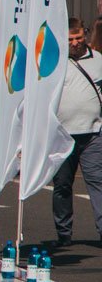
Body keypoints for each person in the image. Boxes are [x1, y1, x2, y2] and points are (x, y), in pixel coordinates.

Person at [52, 18, 102, 246]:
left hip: (93, 133)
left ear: (85, 36)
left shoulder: (99, 60)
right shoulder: (55, 63)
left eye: (78, 38)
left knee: (98, 182)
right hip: (62, 136)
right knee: (62, 185)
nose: (74, 43)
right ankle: (64, 234)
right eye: (70, 39)